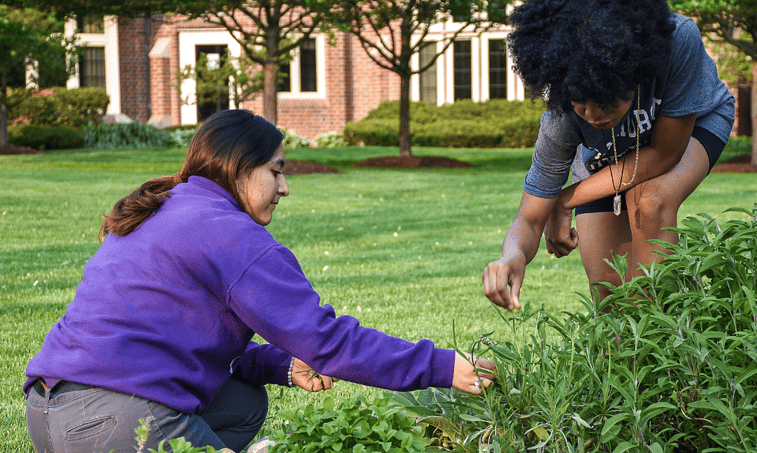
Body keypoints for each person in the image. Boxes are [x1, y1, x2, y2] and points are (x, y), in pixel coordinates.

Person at [25, 109, 494, 453]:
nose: (285, 188)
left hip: (48, 415)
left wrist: (282, 366)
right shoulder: (233, 235)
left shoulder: (164, 207)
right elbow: (326, 341)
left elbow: (167, 338)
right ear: (238, 166)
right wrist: (443, 366)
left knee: (243, 401)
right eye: (276, 171)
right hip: (119, 423)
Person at [483, 0, 735, 311]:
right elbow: (528, 218)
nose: (593, 114)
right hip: (609, 155)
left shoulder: (677, 41)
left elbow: (664, 153)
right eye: (580, 101)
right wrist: (511, 256)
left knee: (650, 200)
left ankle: (667, 341)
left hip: (692, 125)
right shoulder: (562, 118)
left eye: (606, 101)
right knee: (610, 293)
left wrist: (566, 198)